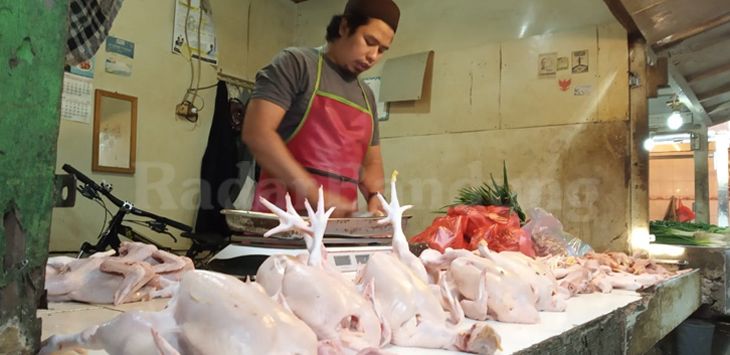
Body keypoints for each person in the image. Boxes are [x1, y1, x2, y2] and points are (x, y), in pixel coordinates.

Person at [242, 0, 400, 218]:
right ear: (344, 27)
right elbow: (257, 133)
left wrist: (375, 199)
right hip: (282, 227)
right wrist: (313, 193)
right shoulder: (295, 64)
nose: (373, 56)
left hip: (338, 232)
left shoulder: (367, 95)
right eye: (369, 41)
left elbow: (371, 162)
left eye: (382, 50)